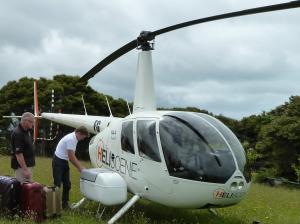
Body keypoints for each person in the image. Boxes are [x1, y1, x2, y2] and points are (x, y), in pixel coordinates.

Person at [52, 126, 89, 209]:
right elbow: (71, 157)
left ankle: (65, 205)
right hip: (58, 161)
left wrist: (79, 166)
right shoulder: (71, 139)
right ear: (79, 133)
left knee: (67, 184)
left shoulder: (74, 138)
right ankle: (53, 206)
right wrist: (80, 168)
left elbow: (71, 156)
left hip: (64, 161)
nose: (83, 139)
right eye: (83, 137)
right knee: (57, 184)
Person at [11, 112, 35, 184]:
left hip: (28, 165)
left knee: (28, 188)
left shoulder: (26, 131)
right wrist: (25, 170)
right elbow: (18, 154)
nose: (33, 124)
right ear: (26, 121)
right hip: (22, 168)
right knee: (22, 188)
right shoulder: (18, 133)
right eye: (32, 122)